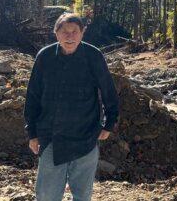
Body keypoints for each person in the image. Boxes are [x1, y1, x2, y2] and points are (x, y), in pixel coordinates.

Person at [24, 13, 119, 201]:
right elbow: (33, 96)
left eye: (74, 31)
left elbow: (109, 92)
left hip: (86, 137)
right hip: (52, 137)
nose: (70, 36)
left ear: (82, 32)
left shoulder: (93, 56)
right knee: (46, 195)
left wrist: (109, 124)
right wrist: (32, 133)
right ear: (56, 33)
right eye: (64, 31)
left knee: (82, 195)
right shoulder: (45, 57)